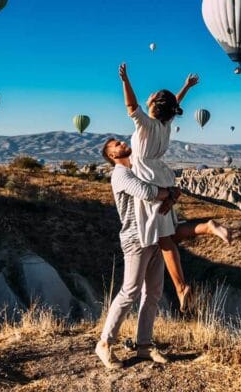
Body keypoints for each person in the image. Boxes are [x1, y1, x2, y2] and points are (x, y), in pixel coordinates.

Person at [118, 63, 230, 313]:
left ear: (154, 105)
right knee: (169, 233)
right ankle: (206, 227)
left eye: (152, 96)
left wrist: (125, 80)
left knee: (164, 239)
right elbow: (173, 104)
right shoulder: (165, 126)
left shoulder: (146, 125)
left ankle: (180, 287)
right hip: (162, 176)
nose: (148, 97)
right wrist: (186, 88)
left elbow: (130, 106)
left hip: (148, 179)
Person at [95, 137, 175, 369]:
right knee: (129, 291)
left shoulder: (139, 169)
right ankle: (105, 344)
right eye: (116, 145)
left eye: (121, 141)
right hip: (135, 239)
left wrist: (168, 191)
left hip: (155, 235)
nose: (122, 143)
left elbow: (162, 184)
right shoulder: (120, 174)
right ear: (112, 155)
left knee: (153, 292)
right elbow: (147, 192)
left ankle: (144, 345)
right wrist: (168, 192)